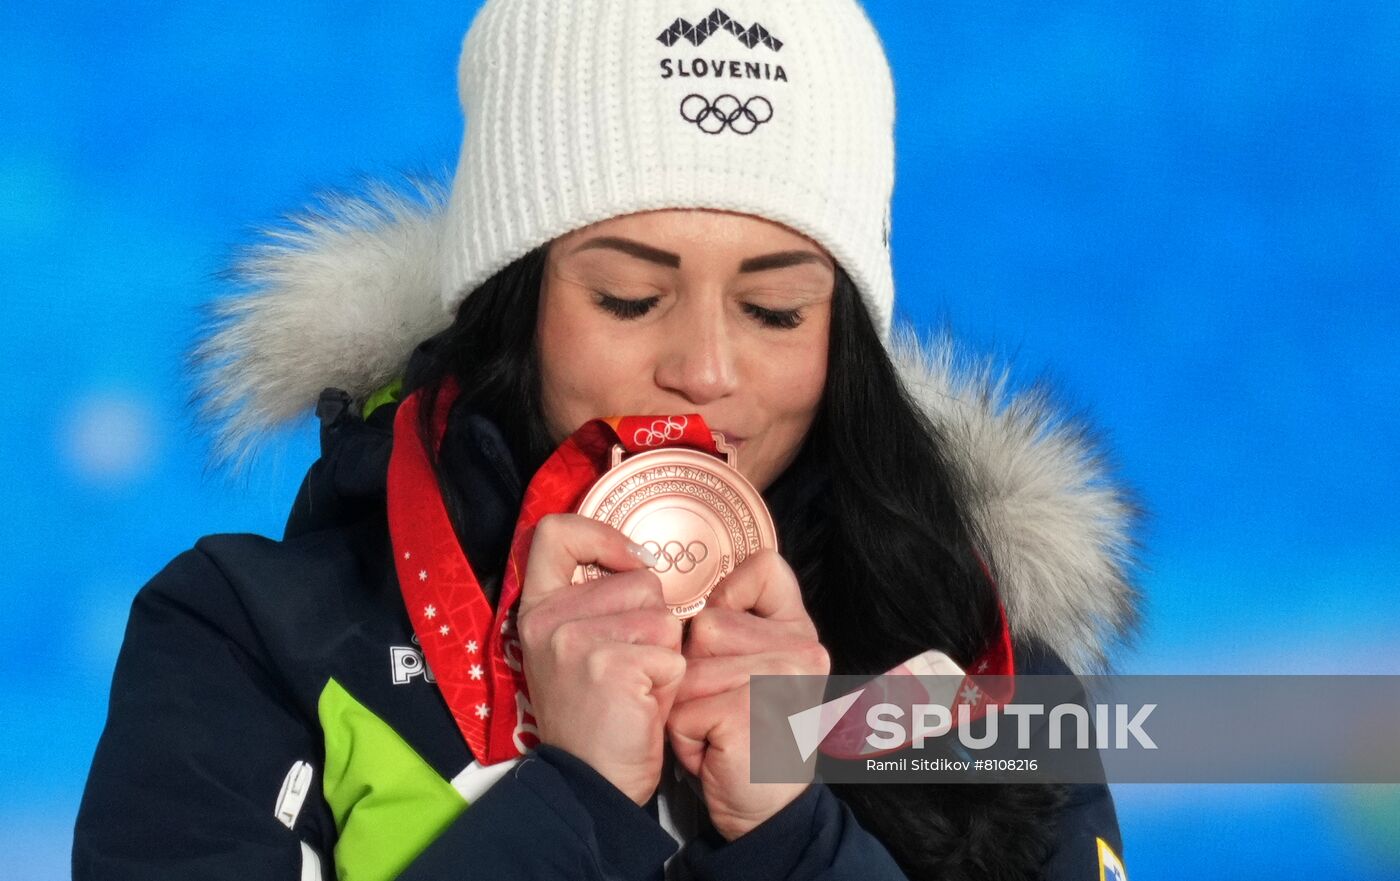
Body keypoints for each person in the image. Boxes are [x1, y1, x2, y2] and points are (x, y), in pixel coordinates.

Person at [74, 1, 1140, 879]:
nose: (705, 369)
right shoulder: (246, 634)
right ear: (514, 303)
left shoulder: (986, 675)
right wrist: (572, 800)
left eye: (775, 312)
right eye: (629, 296)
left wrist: (790, 834)